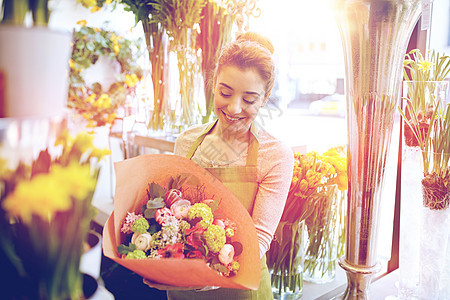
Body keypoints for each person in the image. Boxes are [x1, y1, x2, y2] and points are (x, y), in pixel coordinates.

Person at [146, 31, 294, 299]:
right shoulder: (187, 141)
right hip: (183, 286)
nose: (234, 108)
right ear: (214, 83)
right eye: (225, 92)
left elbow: (259, 238)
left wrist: (210, 277)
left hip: (240, 285)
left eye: (249, 99)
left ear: (265, 97)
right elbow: (170, 210)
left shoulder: (275, 155)